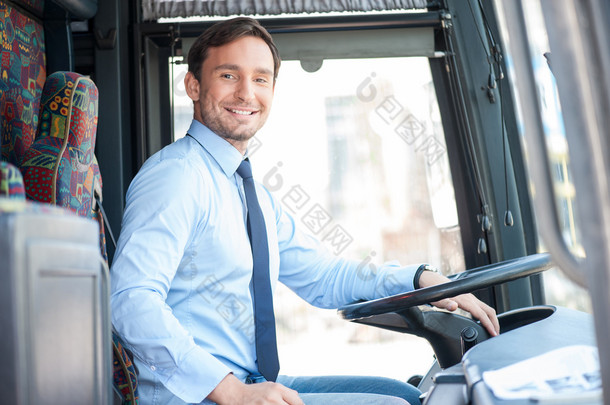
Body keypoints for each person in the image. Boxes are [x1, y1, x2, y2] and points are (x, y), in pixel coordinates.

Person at [110, 16, 499, 405]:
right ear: (194, 85)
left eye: (260, 79)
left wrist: (419, 280)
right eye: (229, 75)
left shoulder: (250, 193)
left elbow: (323, 277)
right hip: (196, 395)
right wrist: (231, 392)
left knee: (404, 395)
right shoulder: (176, 176)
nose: (246, 93)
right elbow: (130, 298)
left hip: (247, 378)